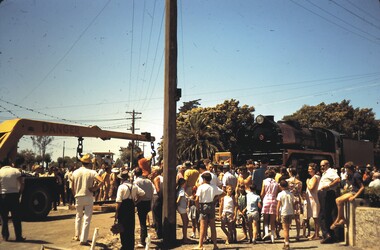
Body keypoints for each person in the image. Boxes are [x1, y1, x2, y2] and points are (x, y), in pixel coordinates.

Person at [71, 153, 104, 246]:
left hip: (78, 196)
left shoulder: (75, 172)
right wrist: (95, 188)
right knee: (87, 217)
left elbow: (72, 187)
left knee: (78, 216)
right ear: (89, 163)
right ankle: (83, 239)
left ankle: (77, 235)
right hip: (88, 196)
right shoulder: (92, 172)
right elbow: (101, 181)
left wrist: (75, 195)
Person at [114, 170, 145, 250]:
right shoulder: (134, 186)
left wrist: (116, 212)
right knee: (131, 227)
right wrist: (136, 202)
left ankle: (124, 245)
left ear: (121, 179)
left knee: (122, 226)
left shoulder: (121, 187)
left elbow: (119, 201)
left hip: (123, 207)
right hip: (131, 206)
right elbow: (142, 193)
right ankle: (130, 246)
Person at [194, 172, 224, 250]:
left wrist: (198, 208)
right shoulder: (213, 187)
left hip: (203, 205)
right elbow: (223, 193)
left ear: (203, 179)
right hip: (211, 205)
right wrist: (216, 198)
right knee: (212, 226)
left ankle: (200, 245)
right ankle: (215, 245)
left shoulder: (201, 187)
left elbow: (196, 199)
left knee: (202, 226)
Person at [331, 162, 364, 230]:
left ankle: (340, 218)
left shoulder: (356, 175)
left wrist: (354, 197)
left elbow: (362, 187)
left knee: (339, 200)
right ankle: (341, 218)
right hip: (352, 191)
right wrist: (347, 180)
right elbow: (351, 184)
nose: (346, 171)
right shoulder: (351, 175)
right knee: (337, 200)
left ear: (349, 169)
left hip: (355, 192)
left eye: (346, 169)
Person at [0, 158, 25, 242]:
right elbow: (22, 184)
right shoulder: (15, 171)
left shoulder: (0, 172)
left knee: (4, 217)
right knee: (16, 217)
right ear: (10, 163)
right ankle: (18, 236)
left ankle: (5, 236)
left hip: (3, 196)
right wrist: (19, 193)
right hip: (14, 195)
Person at [317, 160, 340, 244]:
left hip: (326, 193)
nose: (322, 167)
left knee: (322, 215)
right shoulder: (325, 173)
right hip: (324, 193)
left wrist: (328, 186)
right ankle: (332, 235)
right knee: (328, 214)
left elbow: (337, 180)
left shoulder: (331, 171)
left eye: (323, 165)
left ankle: (327, 235)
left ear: (327, 165)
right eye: (321, 166)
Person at [134, 167, 154, 248]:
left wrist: (135, 202)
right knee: (144, 221)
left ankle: (143, 241)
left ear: (135, 174)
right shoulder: (149, 181)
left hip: (141, 202)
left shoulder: (136, 182)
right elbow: (152, 191)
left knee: (142, 223)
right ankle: (144, 238)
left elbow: (136, 193)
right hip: (148, 202)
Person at [261, 169, 279, 243]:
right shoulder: (276, 183)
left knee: (265, 219)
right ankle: (272, 237)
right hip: (274, 200)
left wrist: (262, 199)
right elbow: (277, 193)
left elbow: (262, 192)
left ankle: (266, 233)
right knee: (272, 220)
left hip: (266, 200)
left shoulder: (264, 181)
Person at [276, 180, 295, 250]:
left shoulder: (280, 194)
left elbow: (278, 205)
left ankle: (287, 243)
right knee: (288, 228)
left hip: (283, 212)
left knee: (285, 229)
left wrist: (277, 215)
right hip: (290, 212)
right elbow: (293, 203)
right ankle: (285, 241)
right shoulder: (291, 194)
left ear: (281, 186)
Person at [286, 168, 303, 241]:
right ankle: (298, 234)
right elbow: (300, 191)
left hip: (289, 198)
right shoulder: (299, 182)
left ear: (290, 172)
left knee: (288, 217)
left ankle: (287, 235)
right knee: (297, 218)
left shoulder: (287, 181)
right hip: (296, 198)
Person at [305, 163, 320, 240]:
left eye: (310, 169)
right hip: (312, 199)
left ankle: (317, 234)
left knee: (316, 217)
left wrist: (307, 182)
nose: (308, 170)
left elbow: (311, 188)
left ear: (314, 170)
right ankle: (315, 234)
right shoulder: (314, 177)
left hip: (314, 199)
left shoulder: (315, 177)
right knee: (314, 218)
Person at [176, 178, 190, 243]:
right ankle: (185, 238)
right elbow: (179, 198)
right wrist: (177, 204)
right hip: (182, 207)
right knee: (185, 222)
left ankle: (185, 237)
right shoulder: (181, 190)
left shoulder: (179, 189)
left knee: (186, 222)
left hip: (181, 207)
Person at [151, 166, 163, 240]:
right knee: (159, 215)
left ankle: (159, 234)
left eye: (152, 171)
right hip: (160, 197)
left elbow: (158, 189)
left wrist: (160, 197)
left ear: (155, 172)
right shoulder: (162, 177)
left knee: (156, 216)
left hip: (157, 197)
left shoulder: (156, 179)